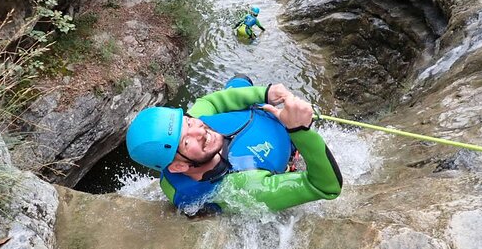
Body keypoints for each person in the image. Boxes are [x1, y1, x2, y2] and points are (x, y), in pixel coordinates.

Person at [126, 75, 343, 215]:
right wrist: (300, 131)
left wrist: (264, 93)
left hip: (258, 114)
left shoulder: (196, 120)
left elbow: (212, 101)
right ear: (178, 167)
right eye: (186, 140)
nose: (199, 130)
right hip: (287, 138)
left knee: (239, 80)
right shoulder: (239, 188)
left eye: (189, 122)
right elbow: (325, 187)